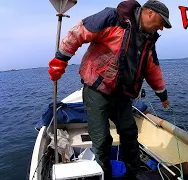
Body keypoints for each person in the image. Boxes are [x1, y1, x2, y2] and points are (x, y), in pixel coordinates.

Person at [48, 0, 171, 179]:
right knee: (102, 138)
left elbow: (152, 68)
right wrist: (61, 59)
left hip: (122, 94)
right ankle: (103, 174)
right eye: (161, 22)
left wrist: (163, 95)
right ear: (150, 13)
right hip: (97, 89)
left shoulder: (148, 39)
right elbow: (80, 32)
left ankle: (134, 174)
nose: (161, 28)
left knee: (130, 133)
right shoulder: (113, 18)